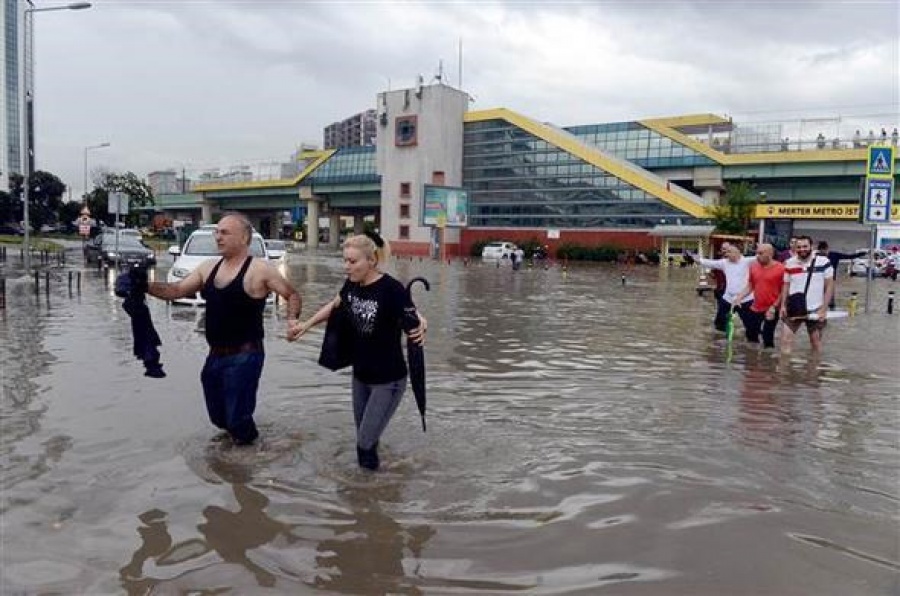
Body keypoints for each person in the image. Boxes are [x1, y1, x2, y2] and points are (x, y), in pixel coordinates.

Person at [143, 212, 302, 445]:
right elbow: (175, 291)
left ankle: (248, 467)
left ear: (244, 237)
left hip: (246, 355)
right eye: (216, 232)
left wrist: (291, 321)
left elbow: (292, 295)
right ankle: (247, 448)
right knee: (219, 418)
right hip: (215, 355)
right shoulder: (208, 268)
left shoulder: (260, 270)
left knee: (237, 418)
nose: (218, 237)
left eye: (225, 232)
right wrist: (143, 285)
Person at [289, 234, 426, 471]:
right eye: (345, 261)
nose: (346, 267)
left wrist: (423, 322)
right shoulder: (351, 284)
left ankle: (370, 497)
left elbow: (412, 314)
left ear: (371, 261)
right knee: (366, 437)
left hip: (388, 380)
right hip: (360, 377)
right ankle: (377, 483)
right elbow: (334, 306)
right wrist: (305, 325)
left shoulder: (390, 289)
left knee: (363, 444)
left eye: (352, 262)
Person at [779, 236, 833, 354]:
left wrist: (824, 309)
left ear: (811, 247)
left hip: (816, 309)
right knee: (785, 340)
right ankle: (784, 370)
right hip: (794, 307)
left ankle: (813, 369)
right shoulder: (789, 263)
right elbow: (786, 285)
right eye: (799, 247)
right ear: (794, 248)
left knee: (815, 342)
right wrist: (783, 305)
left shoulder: (823, 262)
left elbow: (829, 286)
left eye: (805, 246)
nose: (802, 249)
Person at [690, 243, 756, 338]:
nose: (726, 254)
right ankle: (720, 342)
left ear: (738, 252)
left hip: (745, 299)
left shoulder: (748, 261)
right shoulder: (724, 263)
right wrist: (697, 259)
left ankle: (751, 344)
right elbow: (710, 263)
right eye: (726, 251)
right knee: (719, 324)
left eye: (729, 251)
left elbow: (764, 257)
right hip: (728, 299)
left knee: (751, 327)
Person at [733, 244, 785, 348]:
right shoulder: (753, 267)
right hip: (756, 307)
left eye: (760, 253)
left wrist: (774, 306)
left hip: (772, 308)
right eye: (757, 253)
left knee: (767, 338)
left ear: (770, 254)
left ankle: (768, 361)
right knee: (750, 334)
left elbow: (784, 291)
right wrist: (739, 297)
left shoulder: (781, 268)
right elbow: (750, 286)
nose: (757, 256)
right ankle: (753, 359)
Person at [816, 240, 866, 308]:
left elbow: (849, 256)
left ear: (826, 248)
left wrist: (861, 254)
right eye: (821, 251)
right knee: (819, 295)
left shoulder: (835, 255)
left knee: (830, 295)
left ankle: (831, 307)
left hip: (831, 278)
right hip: (819, 278)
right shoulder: (818, 256)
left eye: (823, 250)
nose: (823, 253)